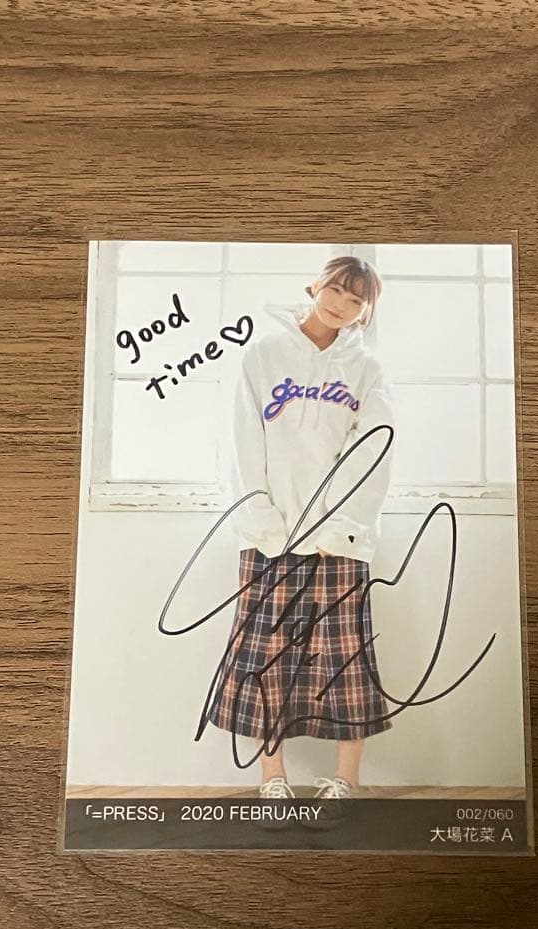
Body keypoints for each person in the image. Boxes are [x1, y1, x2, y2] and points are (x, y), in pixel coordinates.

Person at [203, 255, 395, 804]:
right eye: (336, 290)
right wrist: (263, 521)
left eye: (356, 300)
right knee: (266, 657)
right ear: (316, 286)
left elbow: (374, 451)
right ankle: (273, 776)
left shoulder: (366, 369)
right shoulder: (262, 357)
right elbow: (243, 445)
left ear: (364, 312)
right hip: (270, 534)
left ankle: (346, 779)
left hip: (339, 540)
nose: (342, 304)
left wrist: (340, 527)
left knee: (346, 657)